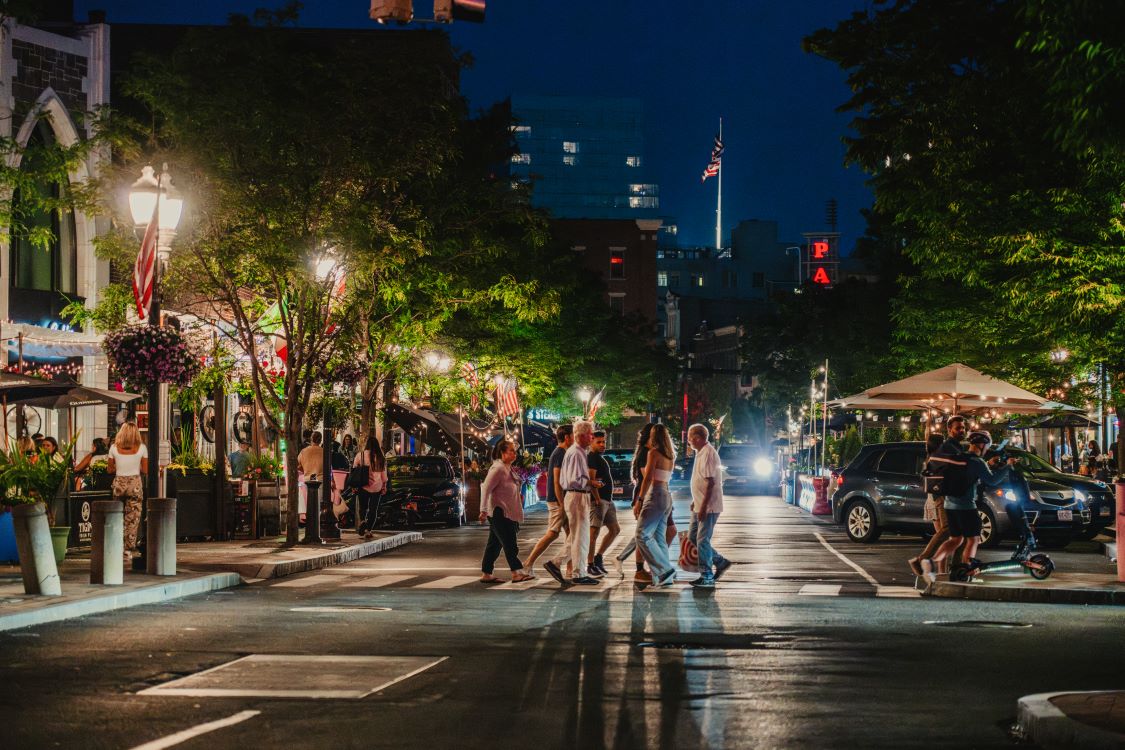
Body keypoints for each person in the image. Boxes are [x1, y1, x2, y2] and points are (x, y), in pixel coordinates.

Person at [920, 429, 1015, 582]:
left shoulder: (960, 457)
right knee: (973, 539)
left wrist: (988, 465)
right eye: (987, 446)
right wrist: (1008, 466)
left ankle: (930, 562)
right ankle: (967, 570)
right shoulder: (977, 462)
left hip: (949, 505)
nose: (987, 450)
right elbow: (992, 480)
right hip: (966, 507)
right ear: (982, 445)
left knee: (956, 539)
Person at [544, 421, 602, 586]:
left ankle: (557, 563)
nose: (592, 437)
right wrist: (592, 483)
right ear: (582, 435)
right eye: (590, 434)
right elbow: (575, 479)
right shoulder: (577, 453)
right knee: (580, 537)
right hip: (577, 495)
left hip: (575, 495)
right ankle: (578, 572)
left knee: (577, 536)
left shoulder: (575, 451)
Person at [479, 439, 534, 583]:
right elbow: (485, 488)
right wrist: (483, 510)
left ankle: (486, 573)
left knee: (495, 544)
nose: (515, 454)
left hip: (506, 511)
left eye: (515, 451)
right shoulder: (497, 468)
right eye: (511, 451)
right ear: (503, 453)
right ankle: (516, 572)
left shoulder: (507, 467)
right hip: (500, 511)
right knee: (510, 543)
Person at [523, 424, 573, 579]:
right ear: (567, 437)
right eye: (574, 435)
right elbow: (557, 481)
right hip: (557, 501)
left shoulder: (563, 453)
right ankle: (527, 564)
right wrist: (562, 503)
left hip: (562, 500)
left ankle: (571, 570)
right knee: (552, 533)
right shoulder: (559, 453)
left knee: (571, 535)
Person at [686, 423, 731, 588]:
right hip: (700, 503)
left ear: (697, 438)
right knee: (693, 538)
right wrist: (695, 500)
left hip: (709, 506)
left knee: (702, 539)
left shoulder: (708, 454)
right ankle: (719, 561)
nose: (688, 441)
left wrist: (704, 506)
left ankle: (707, 575)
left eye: (690, 438)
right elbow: (700, 480)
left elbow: (710, 483)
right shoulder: (700, 452)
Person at [634, 423, 677, 589]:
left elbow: (648, 477)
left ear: (654, 436)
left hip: (656, 494)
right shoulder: (670, 455)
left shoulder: (654, 452)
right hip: (666, 495)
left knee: (642, 534)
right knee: (659, 537)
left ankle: (664, 570)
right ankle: (666, 576)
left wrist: (639, 499)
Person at [908, 432, 949, 576]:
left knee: (942, 536)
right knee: (945, 534)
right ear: (940, 444)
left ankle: (942, 571)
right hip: (939, 499)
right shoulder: (937, 459)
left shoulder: (929, 458)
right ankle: (937, 567)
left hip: (932, 500)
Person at [108, 423, 148, 563]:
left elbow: (109, 470)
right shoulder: (142, 448)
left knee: (117, 517)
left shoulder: (113, 448)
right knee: (132, 519)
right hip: (134, 485)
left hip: (119, 484)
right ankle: (127, 550)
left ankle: (115, 547)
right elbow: (145, 470)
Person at [587, 430, 619, 577]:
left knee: (615, 530)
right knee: (593, 533)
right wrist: (597, 499)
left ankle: (598, 557)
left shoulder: (599, 457)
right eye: (598, 442)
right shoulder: (592, 457)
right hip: (599, 501)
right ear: (591, 442)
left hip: (607, 500)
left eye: (604, 442)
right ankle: (590, 565)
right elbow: (591, 479)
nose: (602, 444)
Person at [354, 435, 389, 538]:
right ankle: (368, 531)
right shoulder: (380, 456)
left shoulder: (360, 455)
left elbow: (355, 468)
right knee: (373, 509)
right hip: (377, 487)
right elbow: (384, 474)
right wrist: (384, 486)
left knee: (363, 507)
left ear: (367, 444)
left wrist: (354, 485)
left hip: (363, 485)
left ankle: (363, 522)